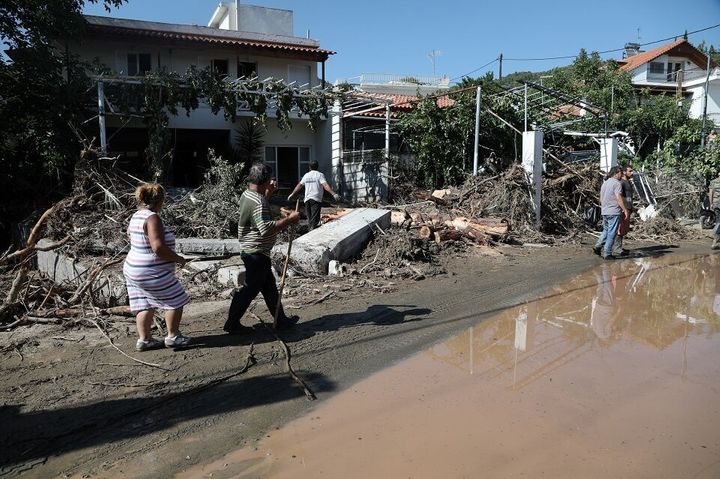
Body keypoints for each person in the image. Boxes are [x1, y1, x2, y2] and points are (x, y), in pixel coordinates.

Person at [224, 162, 301, 334]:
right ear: (265, 180)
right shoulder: (258, 201)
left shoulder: (247, 194)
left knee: (269, 287)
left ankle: (280, 320)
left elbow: (259, 213)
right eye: (270, 179)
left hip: (255, 250)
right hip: (256, 251)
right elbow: (266, 229)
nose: (272, 181)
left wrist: (268, 194)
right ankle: (232, 323)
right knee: (250, 288)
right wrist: (290, 220)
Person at [123, 183, 191, 351]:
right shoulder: (153, 218)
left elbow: (131, 235)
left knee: (143, 303)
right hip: (150, 271)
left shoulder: (137, 215)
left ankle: (145, 340)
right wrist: (178, 259)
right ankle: (173, 336)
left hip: (133, 268)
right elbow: (158, 248)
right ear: (160, 201)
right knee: (175, 299)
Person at [287, 160, 340, 230]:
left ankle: (310, 231)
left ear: (309, 167)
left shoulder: (306, 175)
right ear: (318, 167)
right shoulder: (320, 175)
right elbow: (325, 185)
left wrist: (292, 194)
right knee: (314, 220)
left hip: (307, 200)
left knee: (310, 219)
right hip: (316, 199)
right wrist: (333, 194)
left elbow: (299, 185)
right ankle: (312, 233)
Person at [593, 165, 629, 260]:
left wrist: (604, 207)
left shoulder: (605, 183)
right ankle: (607, 253)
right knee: (612, 233)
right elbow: (618, 197)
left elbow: (601, 197)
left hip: (605, 211)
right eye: (621, 173)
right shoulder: (617, 184)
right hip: (614, 211)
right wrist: (624, 209)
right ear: (616, 173)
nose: (622, 175)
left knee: (606, 230)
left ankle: (598, 245)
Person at [611, 164, 635, 256]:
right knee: (620, 229)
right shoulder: (621, 183)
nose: (632, 173)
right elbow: (618, 196)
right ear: (624, 172)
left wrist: (630, 207)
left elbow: (629, 197)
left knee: (624, 229)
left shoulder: (628, 182)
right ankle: (616, 248)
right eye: (630, 171)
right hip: (623, 208)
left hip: (628, 207)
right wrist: (623, 208)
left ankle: (618, 247)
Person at [709, 172, 720, 249]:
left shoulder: (713, 182)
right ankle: (715, 239)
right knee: (719, 222)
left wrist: (711, 204)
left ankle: (716, 239)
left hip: (716, 203)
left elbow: (710, 193)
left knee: (718, 221)